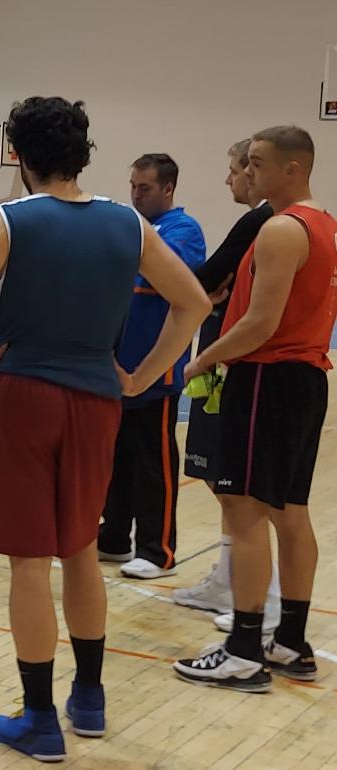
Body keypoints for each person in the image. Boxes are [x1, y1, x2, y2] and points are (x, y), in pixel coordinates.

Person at [0, 96, 209, 761]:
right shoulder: (129, 223)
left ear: (20, 156)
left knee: (30, 558)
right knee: (80, 549)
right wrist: (142, 379)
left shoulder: (8, 220)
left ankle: (38, 719)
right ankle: (88, 699)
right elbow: (194, 302)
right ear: (83, 152)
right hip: (96, 400)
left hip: (24, 394)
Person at [173, 126, 337, 692]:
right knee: (290, 512)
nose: (249, 173)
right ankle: (290, 641)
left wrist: (204, 359)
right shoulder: (324, 226)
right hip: (305, 378)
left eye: (260, 163)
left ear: (294, 169)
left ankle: (243, 649)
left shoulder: (282, 229)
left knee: (243, 513)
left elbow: (261, 324)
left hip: (268, 376)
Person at [173, 140, 279, 627]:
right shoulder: (264, 223)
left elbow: (208, 274)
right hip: (224, 356)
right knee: (220, 475)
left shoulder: (262, 221)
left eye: (236, 169)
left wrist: (193, 288)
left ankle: (266, 594)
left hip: (239, 362)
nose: (231, 179)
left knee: (245, 486)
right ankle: (228, 578)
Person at [96, 154, 206, 579]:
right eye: (132, 186)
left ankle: (158, 550)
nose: (135, 195)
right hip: (116, 368)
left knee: (153, 463)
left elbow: (164, 276)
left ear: (168, 189)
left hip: (154, 372)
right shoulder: (135, 231)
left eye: (144, 188)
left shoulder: (183, 231)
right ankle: (115, 537)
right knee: (117, 459)